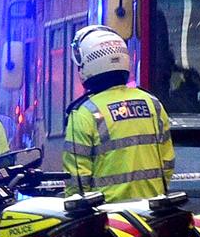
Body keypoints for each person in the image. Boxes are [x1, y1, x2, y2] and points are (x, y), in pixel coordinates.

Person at [63, 25, 175, 202]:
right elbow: (167, 164)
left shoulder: (83, 113)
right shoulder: (152, 103)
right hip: (154, 212)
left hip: (108, 218)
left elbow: (77, 182)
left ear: (88, 65)